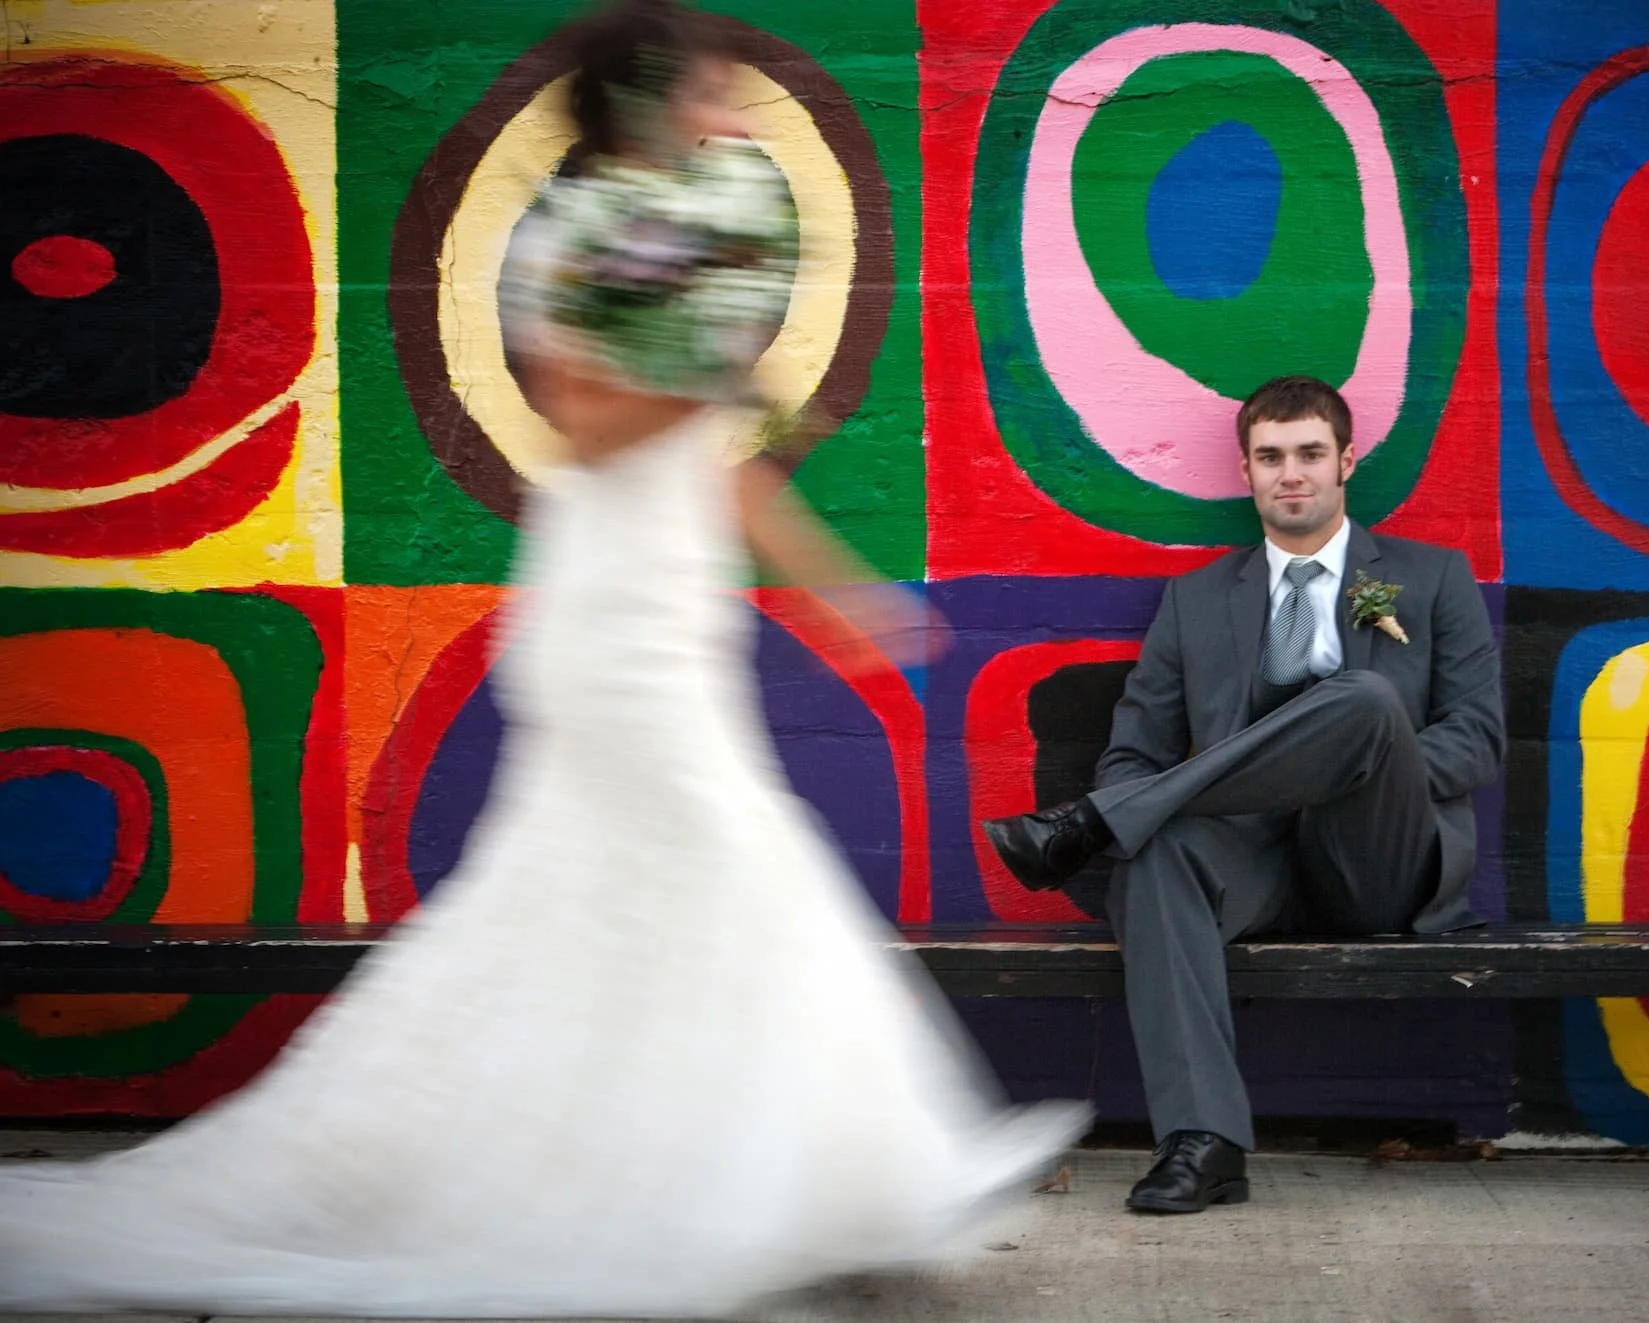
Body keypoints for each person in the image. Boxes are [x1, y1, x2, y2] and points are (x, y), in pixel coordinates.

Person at [0, 1, 1087, 1311]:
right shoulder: (576, 240)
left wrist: (840, 589)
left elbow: (717, 464)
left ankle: (764, 1173)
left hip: (674, 617)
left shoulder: (696, 237)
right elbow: (585, 431)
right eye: (717, 94)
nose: (739, 119)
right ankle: (818, 1177)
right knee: (740, 856)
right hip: (608, 624)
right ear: (652, 103)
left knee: (649, 890)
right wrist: (705, 361)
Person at [982, 375, 1503, 1215]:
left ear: (1346, 464)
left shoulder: (1434, 578)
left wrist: (1362, 762)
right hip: (1249, 857)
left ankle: (1085, 828)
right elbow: (1133, 753)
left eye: (1309, 453)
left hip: (1380, 852)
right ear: (1247, 470)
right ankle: (1203, 1141)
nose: (1289, 473)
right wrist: (1150, 801)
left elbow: (1477, 738)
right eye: (1270, 457)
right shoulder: (1194, 602)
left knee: (1364, 702)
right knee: (1153, 859)